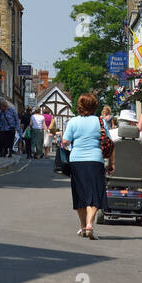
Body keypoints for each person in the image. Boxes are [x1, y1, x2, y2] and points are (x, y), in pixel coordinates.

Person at [61, 93, 108, 238]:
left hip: (76, 161)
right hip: (95, 160)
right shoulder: (100, 122)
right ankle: (89, 225)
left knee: (80, 194)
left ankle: (82, 227)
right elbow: (109, 143)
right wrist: (112, 163)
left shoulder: (73, 122)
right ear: (94, 106)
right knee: (94, 193)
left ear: (79, 106)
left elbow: (65, 141)